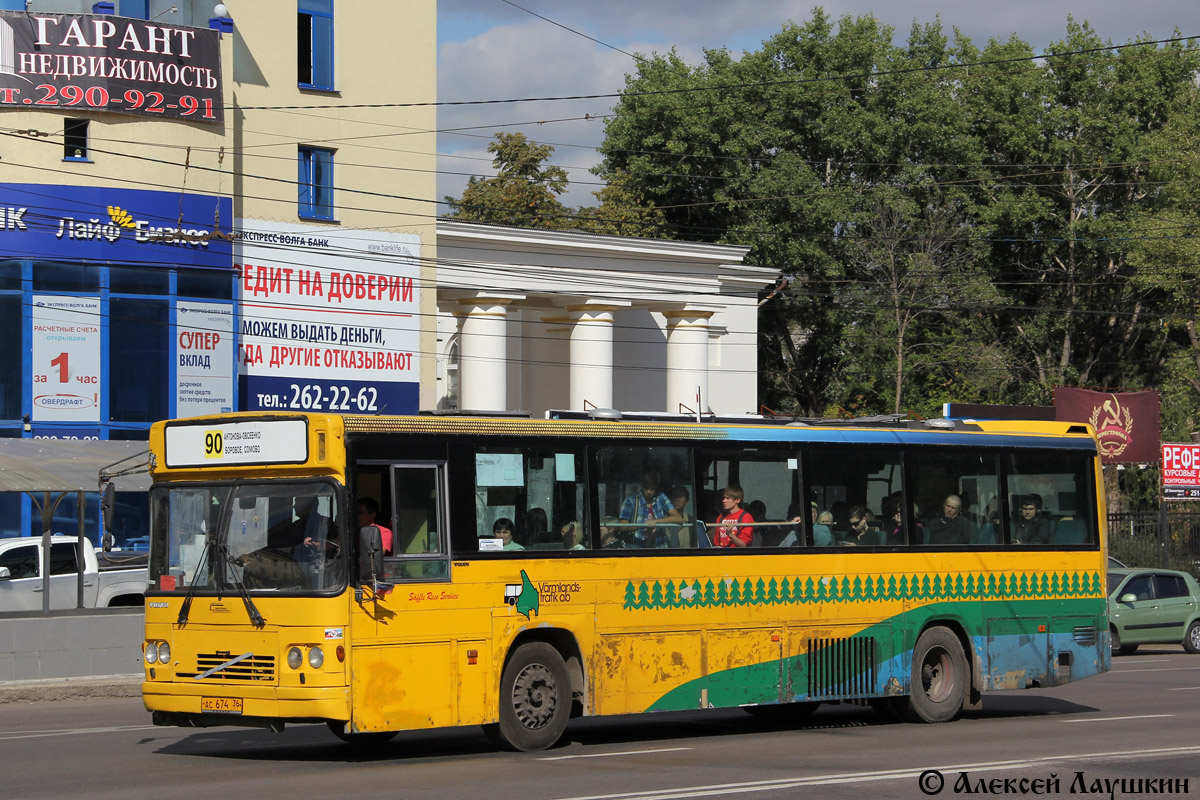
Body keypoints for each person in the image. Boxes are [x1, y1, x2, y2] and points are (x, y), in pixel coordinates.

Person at [619, 470, 682, 548]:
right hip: (637, 547)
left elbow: (678, 518)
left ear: (656, 488)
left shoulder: (661, 497)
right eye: (646, 488)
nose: (648, 492)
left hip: (660, 547)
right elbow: (622, 527)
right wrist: (643, 525)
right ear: (641, 485)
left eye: (652, 489)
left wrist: (655, 521)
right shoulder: (631, 499)